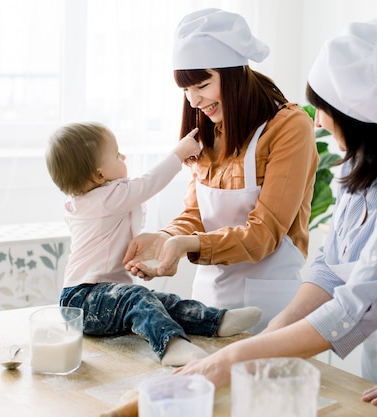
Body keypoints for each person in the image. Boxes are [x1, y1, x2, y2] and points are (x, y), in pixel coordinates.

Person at [171, 18, 377, 389]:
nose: (316, 122)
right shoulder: (359, 167)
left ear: (358, 118)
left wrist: (245, 354)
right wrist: (268, 336)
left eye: (323, 108)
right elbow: (330, 267)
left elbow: (361, 299)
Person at [123, 8, 318, 333]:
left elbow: (264, 235)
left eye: (201, 84)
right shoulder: (209, 129)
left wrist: (189, 245)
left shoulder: (290, 128)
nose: (194, 100)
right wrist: (166, 237)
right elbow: (196, 213)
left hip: (268, 312)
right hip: (207, 303)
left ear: (235, 73)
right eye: (185, 90)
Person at [45, 121, 262, 367]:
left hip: (98, 297)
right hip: (82, 301)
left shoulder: (93, 200)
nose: (123, 156)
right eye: (117, 154)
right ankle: (170, 344)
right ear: (99, 174)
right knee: (137, 297)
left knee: (159, 301)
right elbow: (149, 183)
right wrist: (179, 153)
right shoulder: (105, 199)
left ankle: (216, 321)